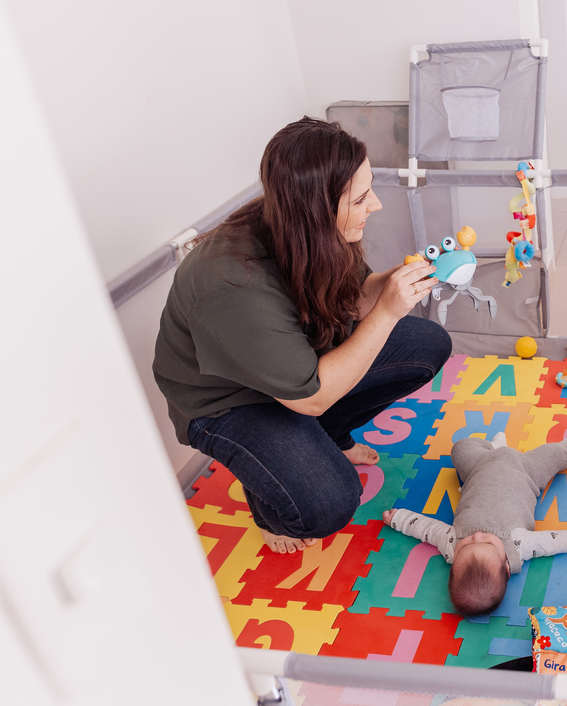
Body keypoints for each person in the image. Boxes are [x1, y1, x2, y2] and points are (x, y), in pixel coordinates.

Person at [154, 117, 452, 553]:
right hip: (228, 401)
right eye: (362, 198)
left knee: (427, 344)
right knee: (328, 503)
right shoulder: (233, 283)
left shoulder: (310, 227)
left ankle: (320, 440)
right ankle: (268, 505)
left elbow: (352, 300)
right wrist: (388, 312)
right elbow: (311, 396)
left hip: (292, 368)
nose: (376, 206)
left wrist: (397, 284)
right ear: (319, 207)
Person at [384, 427, 567, 616]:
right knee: (555, 455)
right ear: (505, 565)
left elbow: (427, 529)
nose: (476, 536)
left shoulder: (451, 543)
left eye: (467, 544)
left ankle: (496, 448)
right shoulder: (517, 546)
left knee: (460, 448)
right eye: (487, 542)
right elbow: (553, 541)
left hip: (480, 467)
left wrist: (399, 519)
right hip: (526, 470)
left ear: (453, 562)